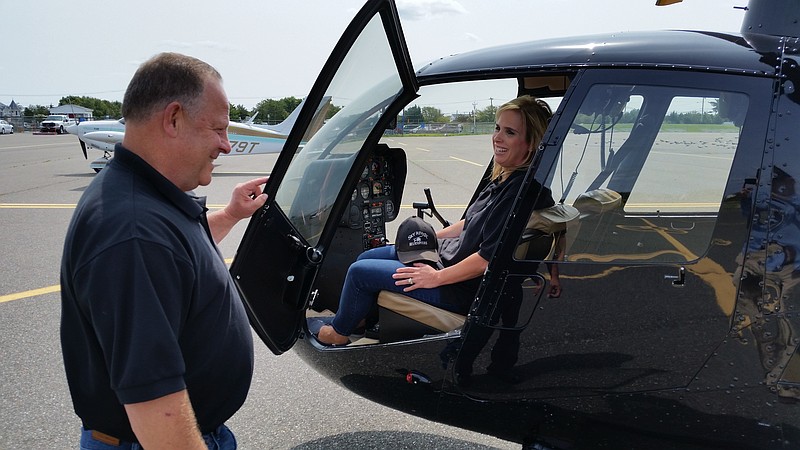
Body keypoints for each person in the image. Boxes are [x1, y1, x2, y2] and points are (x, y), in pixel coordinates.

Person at [60, 52, 268, 449]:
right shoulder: (133, 233)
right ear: (173, 119)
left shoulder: (141, 198)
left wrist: (230, 215)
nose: (226, 145)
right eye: (218, 130)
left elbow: (174, 256)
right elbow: (155, 403)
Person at [317, 95, 557, 346]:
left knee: (359, 272)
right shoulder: (505, 180)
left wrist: (435, 278)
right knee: (366, 257)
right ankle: (358, 320)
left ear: (530, 143)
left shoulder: (518, 193)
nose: (497, 137)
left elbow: (487, 260)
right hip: (446, 259)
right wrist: (431, 239)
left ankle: (339, 333)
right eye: (497, 128)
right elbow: (469, 223)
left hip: (458, 286)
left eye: (509, 132)